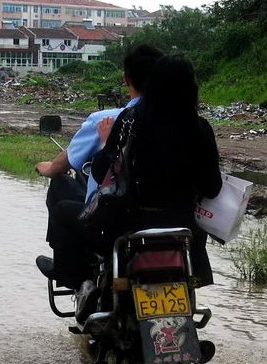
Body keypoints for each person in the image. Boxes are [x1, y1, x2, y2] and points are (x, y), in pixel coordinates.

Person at [33, 44, 163, 288]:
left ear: (126, 80)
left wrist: (51, 168)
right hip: (171, 219)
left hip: (118, 217)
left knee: (62, 193)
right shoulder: (186, 127)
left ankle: (71, 273)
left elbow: (88, 164)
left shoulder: (116, 119)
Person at [87, 54, 223, 285]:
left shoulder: (129, 121)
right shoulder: (199, 130)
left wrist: (106, 144)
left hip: (130, 227)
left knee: (71, 216)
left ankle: (87, 289)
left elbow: (101, 172)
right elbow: (212, 188)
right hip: (184, 233)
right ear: (192, 88)